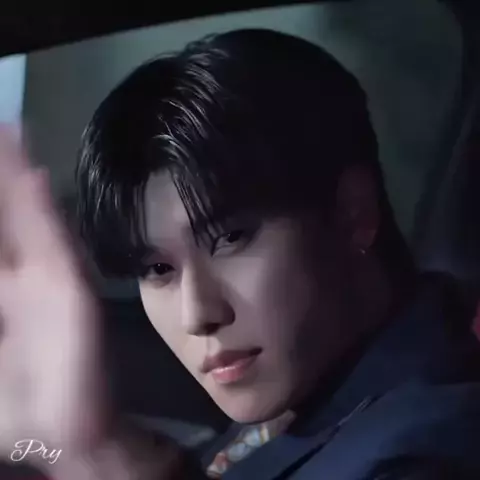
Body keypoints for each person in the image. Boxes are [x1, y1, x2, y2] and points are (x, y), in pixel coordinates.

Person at [0, 29, 479, 479]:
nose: (197, 314)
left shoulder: (433, 447)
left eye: (230, 239)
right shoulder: (313, 388)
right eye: (158, 268)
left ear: (353, 213)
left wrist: (100, 453)